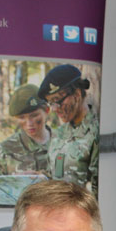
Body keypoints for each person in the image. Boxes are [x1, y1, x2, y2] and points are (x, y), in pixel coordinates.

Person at [38, 64, 99, 195]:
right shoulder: (59, 134)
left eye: (57, 100)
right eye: (51, 103)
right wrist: (36, 177)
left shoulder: (96, 133)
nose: (54, 109)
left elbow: (100, 190)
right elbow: (55, 175)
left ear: (77, 94)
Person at [0, 84, 51, 178]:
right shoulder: (4, 152)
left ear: (47, 111)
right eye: (22, 118)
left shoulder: (64, 143)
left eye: (34, 115)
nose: (29, 123)